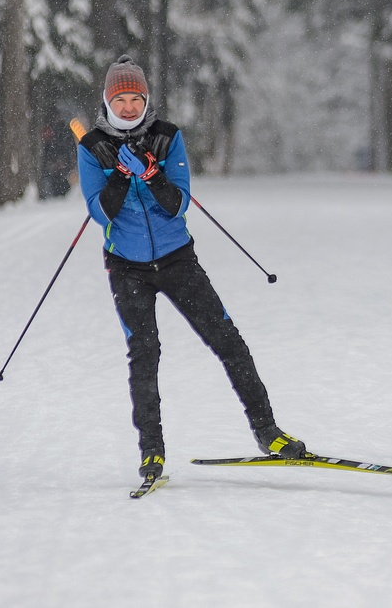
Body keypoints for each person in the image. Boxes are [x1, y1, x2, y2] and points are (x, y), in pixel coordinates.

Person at [77, 55, 307, 484]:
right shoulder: (91, 147)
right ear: (108, 101)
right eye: (120, 99)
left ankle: (267, 432)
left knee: (227, 340)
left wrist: (151, 172)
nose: (128, 107)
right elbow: (100, 213)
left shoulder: (167, 137)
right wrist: (121, 176)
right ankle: (152, 453)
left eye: (136, 98)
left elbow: (177, 204)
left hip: (177, 258)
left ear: (146, 100)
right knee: (145, 354)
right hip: (127, 268)